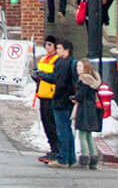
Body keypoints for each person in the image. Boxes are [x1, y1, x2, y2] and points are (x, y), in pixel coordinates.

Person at [36, 36, 78, 166]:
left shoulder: (65, 63)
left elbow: (58, 81)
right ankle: (70, 158)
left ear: (67, 50)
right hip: (63, 99)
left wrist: (43, 76)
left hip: (61, 99)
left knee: (62, 130)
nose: (57, 50)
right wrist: (43, 76)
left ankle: (63, 159)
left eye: (59, 48)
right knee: (66, 129)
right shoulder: (64, 62)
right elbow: (55, 77)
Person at [74, 61, 106, 170]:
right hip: (92, 109)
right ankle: (94, 157)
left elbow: (80, 95)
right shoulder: (94, 80)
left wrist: (74, 98)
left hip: (84, 109)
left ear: (85, 68)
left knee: (82, 134)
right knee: (89, 135)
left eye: (80, 66)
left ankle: (85, 157)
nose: (77, 68)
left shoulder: (84, 80)